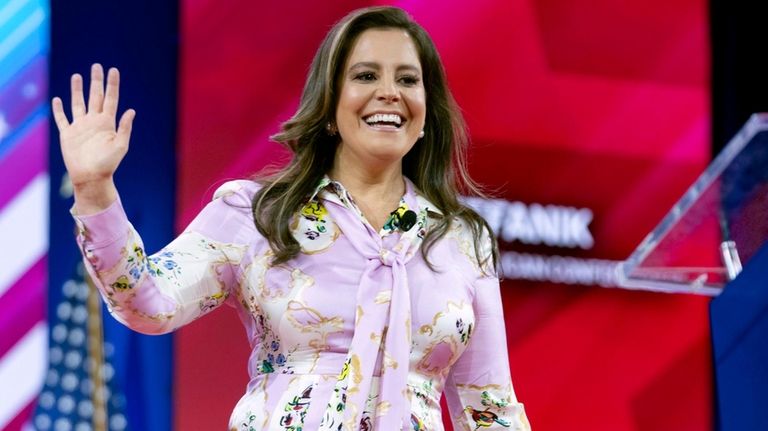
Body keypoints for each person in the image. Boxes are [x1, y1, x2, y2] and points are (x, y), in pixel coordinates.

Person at [53, 6, 531, 431]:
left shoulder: (463, 239)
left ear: (426, 113)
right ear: (328, 105)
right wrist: (95, 191)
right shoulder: (256, 212)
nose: (389, 93)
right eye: (365, 76)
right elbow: (147, 302)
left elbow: (490, 410)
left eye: (407, 80)